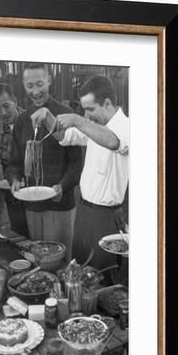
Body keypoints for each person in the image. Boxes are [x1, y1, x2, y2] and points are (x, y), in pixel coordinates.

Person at [31, 75, 129, 270]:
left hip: (107, 218)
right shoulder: (94, 125)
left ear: (107, 103)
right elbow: (64, 136)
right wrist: (47, 115)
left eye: (90, 109)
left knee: (103, 276)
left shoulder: (127, 126)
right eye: (84, 110)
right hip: (83, 212)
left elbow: (113, 142)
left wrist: (76, 119)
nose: (87, 115)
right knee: (79, 270)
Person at [6, 63, 82, 261]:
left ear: (49, 80)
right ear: (23, 85)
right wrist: (14, 178)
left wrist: (62, 186)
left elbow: (76, 163)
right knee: (38, 258)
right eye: (30, 86)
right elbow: (14, 161)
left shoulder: (65, 114)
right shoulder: (22, 121)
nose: (35, 91)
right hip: (32, 205)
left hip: (61, 205)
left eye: (40, 84)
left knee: (61, 259)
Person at [0, 83, 28, 235]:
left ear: (15, 101)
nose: (3, 113)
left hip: (36, 192)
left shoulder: (31, 121)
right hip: (13, 194)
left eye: (6, 106)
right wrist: (1, 208)